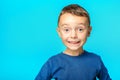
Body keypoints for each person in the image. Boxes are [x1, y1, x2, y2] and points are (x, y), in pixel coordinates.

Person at [35, 4, 111, 80]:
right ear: (59, 32)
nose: (73, 35)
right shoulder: (53, 62)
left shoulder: (96, 60)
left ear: (89, 31)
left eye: (80, 29)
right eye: (66, 30)